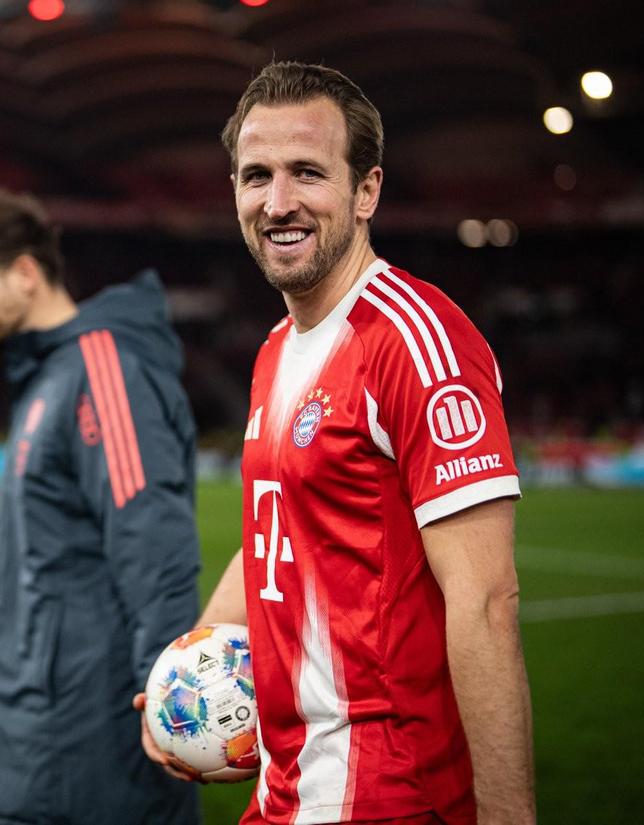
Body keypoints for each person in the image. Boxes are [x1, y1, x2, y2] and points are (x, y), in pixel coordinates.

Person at [139, 61, 536, 825]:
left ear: (366, 191)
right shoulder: (274, 349)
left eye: (308, 172)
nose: (278, 202)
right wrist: (181, 679)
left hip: (390, 792)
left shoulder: (418, 343)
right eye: (257, 176)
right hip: (286, 786)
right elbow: (274, 530)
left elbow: (487, 601)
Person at [0, 189, 201, 825]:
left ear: (25, 273)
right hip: (38, 737)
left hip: (98, 750)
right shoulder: (43, 379)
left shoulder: (100, 367)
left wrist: (169, 712)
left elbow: (153, 547)